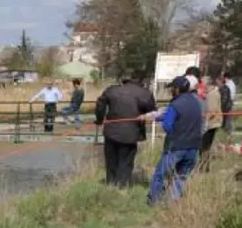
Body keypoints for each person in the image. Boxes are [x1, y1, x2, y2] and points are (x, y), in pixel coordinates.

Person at [144, 76, 203, 205]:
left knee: (161, 174)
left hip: (176, 147)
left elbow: (167, 125)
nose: (171, 90)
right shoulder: (197, 102)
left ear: (177, 89)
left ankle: (153, 201)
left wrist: (173, 135)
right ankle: (172, 202)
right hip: (193, 147)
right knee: (181, 176)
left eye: (172, 88)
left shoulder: (175, 104)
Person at [95, 71, 157, 187]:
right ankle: (121, 189)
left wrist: (99, 119)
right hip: (131, 133)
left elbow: (100, 104)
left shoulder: (112, 90)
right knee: (125, 162)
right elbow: (152, 111)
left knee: (111, 161)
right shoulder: (144, 93)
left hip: (111, 132)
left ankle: (110, 186)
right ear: (141, 81)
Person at [202, 76, 223, 172]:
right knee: (206, 147)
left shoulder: (212, 94)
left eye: (202, 82)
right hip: (211, 123)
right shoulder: (211, 93)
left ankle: (204, 167)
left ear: (207, 84)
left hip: (210, 124)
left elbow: (212, 111)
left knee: (204, 147)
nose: (201, 85)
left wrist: (205, 124)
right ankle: (204, 166)